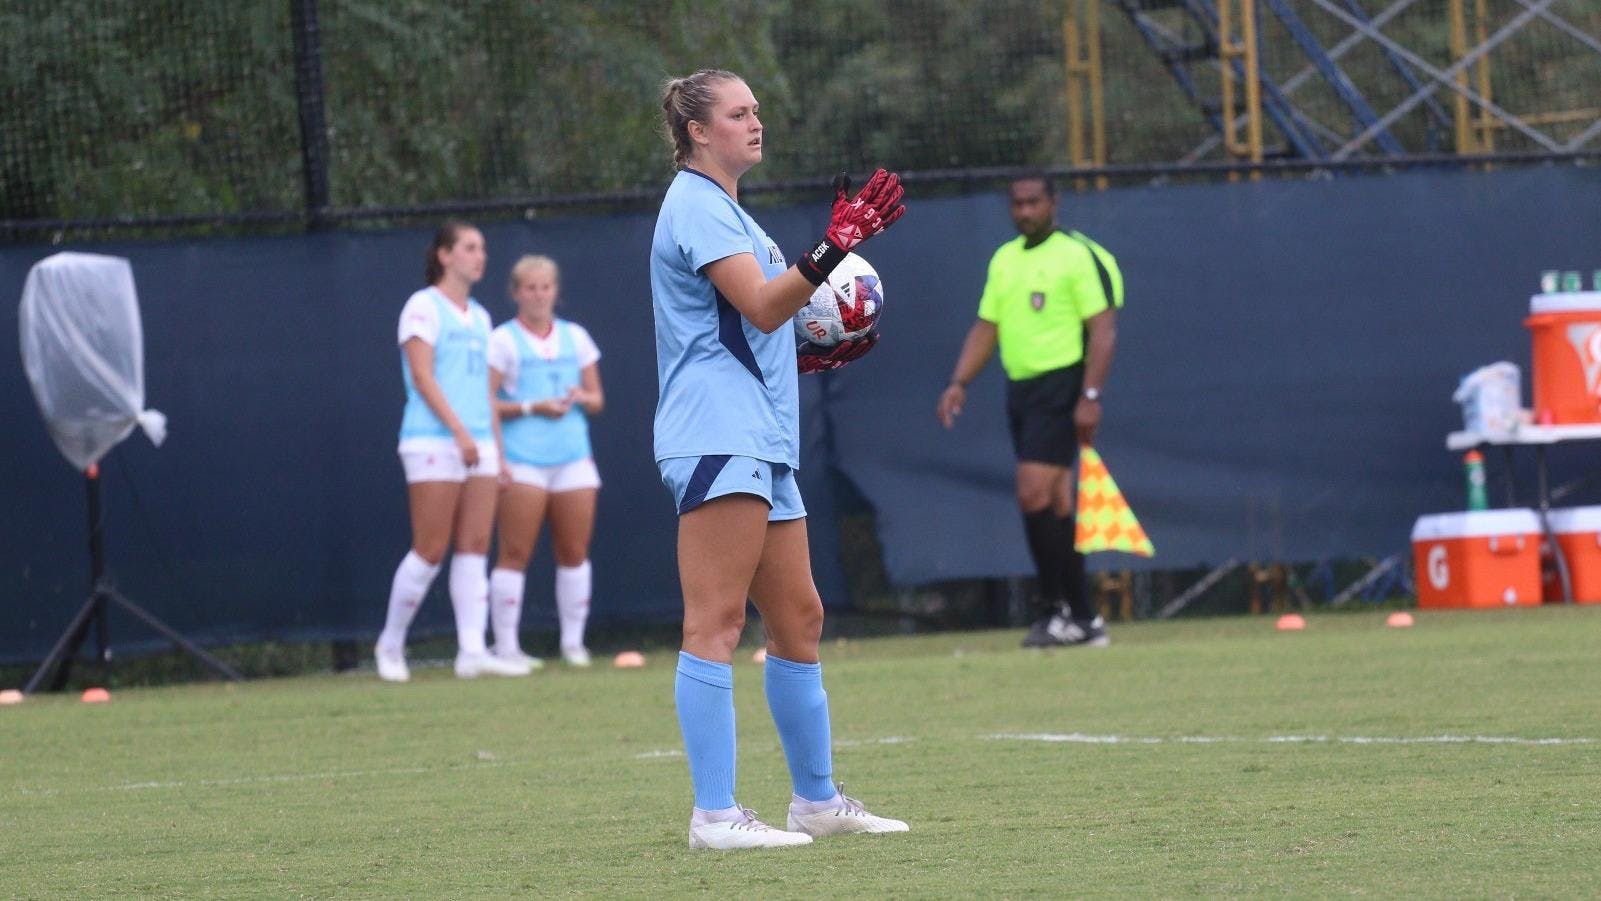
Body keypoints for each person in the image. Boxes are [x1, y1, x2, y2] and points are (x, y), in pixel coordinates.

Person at [651, 68, 909, 850]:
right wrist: (837, 245)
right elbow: (763, 303)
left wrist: (814, 348)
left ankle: (817, 801)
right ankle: (715, 815)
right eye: (737, 113)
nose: (754, 122)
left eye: (756, 110)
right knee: (717, 621)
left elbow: (758, 326)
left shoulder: (730, 211)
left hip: (759, 433)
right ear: (697, 130)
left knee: (798, 617)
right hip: (716, 433)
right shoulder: (694, 205)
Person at [936, 174, 1124, 649]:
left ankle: (1053, 609)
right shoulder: (1005, 259)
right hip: (1021, 391)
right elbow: (986, 326)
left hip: (1062, 386)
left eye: (1033, 202)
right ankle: (1084, 618)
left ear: (1053, 203)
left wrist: (1090, 396)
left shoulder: (1074, 255)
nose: (1024, 212)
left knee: (1032, 493)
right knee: (1058, 504)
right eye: (1017, 204)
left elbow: (1103, 330)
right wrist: (959, 382)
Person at [375, 221, 531, 682]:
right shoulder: (422, 308)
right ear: (444, 255)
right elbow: (423, 378)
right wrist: (460, 433)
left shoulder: (481, 317)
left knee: (475, 546)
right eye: (469, 247)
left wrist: (495, 451)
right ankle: (390, 645)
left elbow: (483, 391)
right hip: (432, 439)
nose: (479, 256)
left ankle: (470, 652)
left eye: (482, 248)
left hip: (479, 441)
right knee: (430, 548)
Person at [487, 255, 604, 668]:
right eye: (530, 288)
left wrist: (578, 398)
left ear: (555, 291)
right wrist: (533, 406)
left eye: (545, 287)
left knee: (574, 550)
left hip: (573, 458)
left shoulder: (577, 337)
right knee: (514, 552)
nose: (538, 296)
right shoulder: (501, 340)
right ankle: (505, 648)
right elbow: (486, 404)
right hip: (523, 459)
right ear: (516, 293)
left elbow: (596, 399)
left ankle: (573, 645)